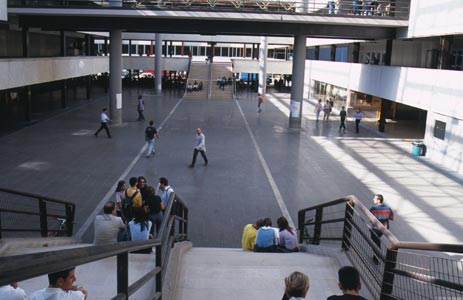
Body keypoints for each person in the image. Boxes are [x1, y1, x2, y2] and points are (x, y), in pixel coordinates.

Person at [369, 194, 394, 265]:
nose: (373, 199)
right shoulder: (388, 208)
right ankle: (376, 256)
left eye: (374, 198)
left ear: (378, 200)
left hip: (375, 228)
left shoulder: (374, 208)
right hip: (383, 229)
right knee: (377, 241)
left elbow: (370, 216)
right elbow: (391, 218)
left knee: (376, 243)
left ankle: (376, 258)